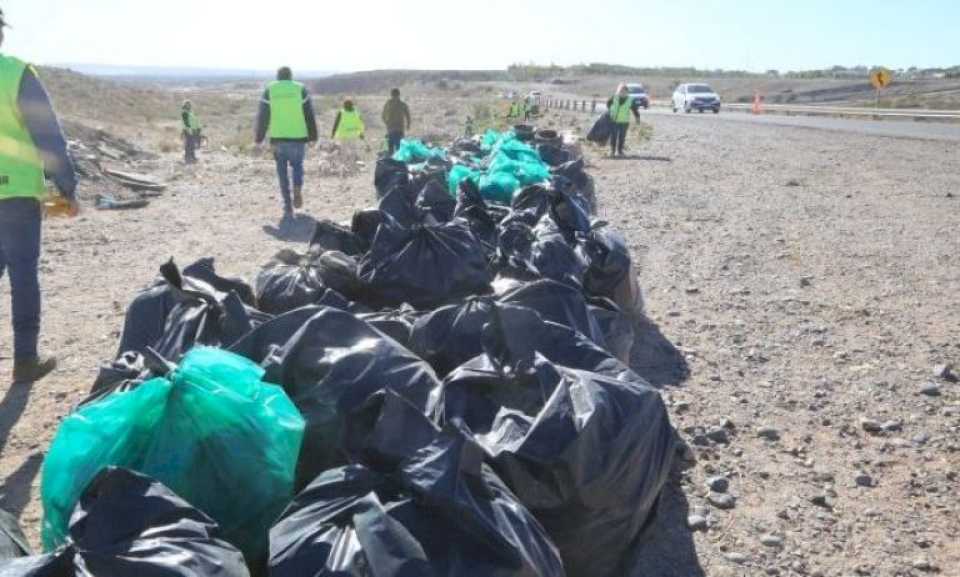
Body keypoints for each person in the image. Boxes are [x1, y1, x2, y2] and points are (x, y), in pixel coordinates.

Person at [0, 9, 78, 384]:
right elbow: (47, 135)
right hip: (14, 194)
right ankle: (25, 360)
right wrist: (67, 185)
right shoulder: (15, 73)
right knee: (23, 275)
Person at [255, 66, 318, 219]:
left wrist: (259, 137)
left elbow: (263, 116)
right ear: (290, 76)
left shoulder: (270, 90)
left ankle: (288, 205)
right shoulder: (300, 88)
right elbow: (309, 114)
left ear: (278, 77)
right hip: (298, 137)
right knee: (298, 166)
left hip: (278, 138)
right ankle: (297, 188)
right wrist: (313, 136)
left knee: (282, 172)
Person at [606, 83, 641, 157]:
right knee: (613, 136)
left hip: (624, 122)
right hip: (614, 121)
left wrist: (637, 119)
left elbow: (635, 110)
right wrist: (610, 112)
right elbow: (608, 104)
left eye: (624, 91)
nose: (622, 93)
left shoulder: (630, 100)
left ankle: (620, 151)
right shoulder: (614, 97)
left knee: (622, 137)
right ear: (618, 91)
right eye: (620, 91)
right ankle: (612, 151)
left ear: (627, 92)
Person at [381, 88, 410, 156]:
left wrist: (387, 123)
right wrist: (408, 125)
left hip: (391, 129)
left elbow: (383, 115)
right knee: (399, 148)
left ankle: (391, 162)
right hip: (399, 129)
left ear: (391, 95)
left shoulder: (388, 103)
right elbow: (408, 116)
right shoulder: (402, 104)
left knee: (391, 148)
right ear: (399, 95)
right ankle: (398, 163)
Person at [181, 100, 201, 164]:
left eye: (189, 104)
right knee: (188, 144)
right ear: (184, 105)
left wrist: (198, 127)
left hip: (194, 130)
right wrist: (189, 130)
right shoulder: (184, 113)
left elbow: (195, 120)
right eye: (187, 104)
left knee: (192, 144)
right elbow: (186, 123)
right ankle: (187, 158)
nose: (189, 105)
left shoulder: (191, 112)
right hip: (188, 130)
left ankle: (193, 157)